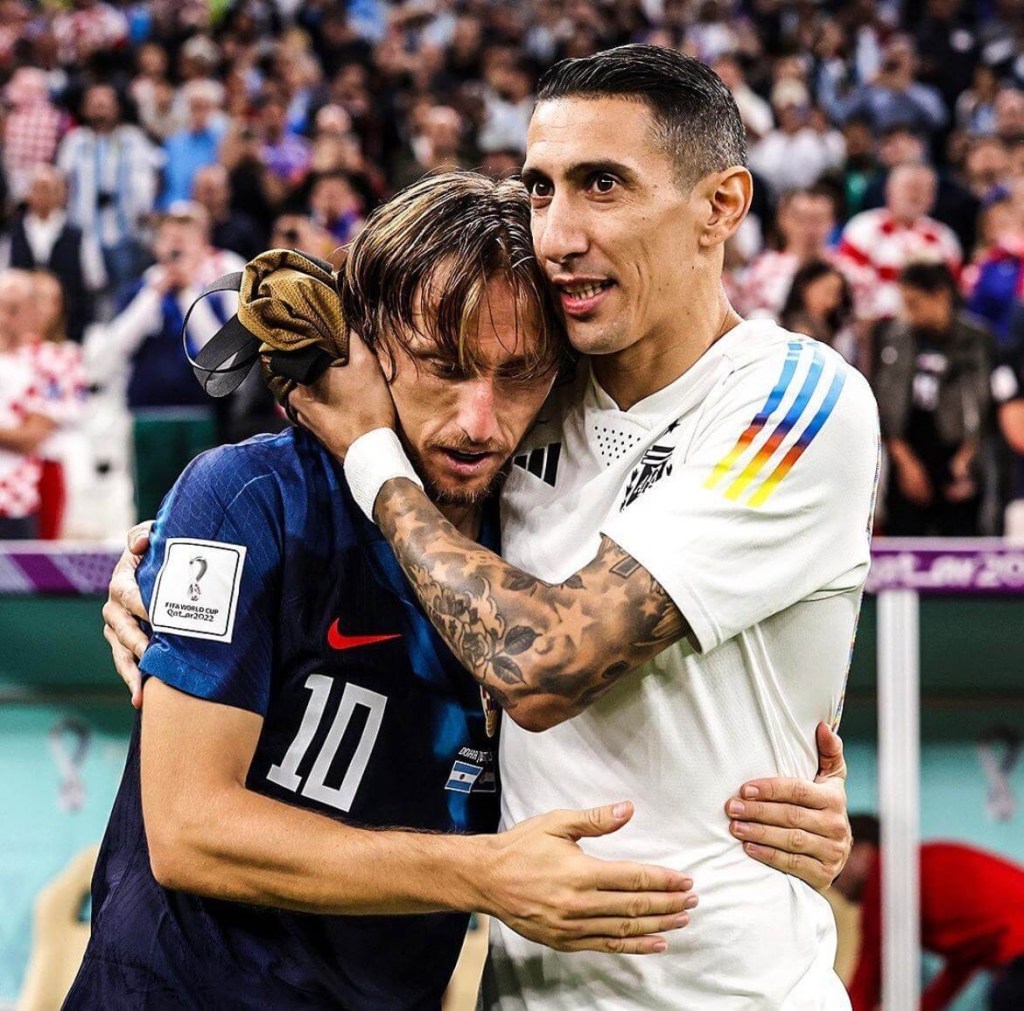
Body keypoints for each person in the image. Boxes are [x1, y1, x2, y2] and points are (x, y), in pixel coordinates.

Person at [102, 171, 855, 1005]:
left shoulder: (538, 537)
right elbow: (188, 831)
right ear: (365, 342)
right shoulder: (251, 498)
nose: (478, 420)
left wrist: (783, 793)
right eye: (442, 365)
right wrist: (485, 875)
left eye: (520, 374)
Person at [281, 45, 876, 1008]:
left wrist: (373, 456)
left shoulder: (791, 399)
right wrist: (167, 564)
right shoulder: (530, 384)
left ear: (720, 205)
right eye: (541, 188)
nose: (556, 232)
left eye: (602, 185)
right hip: (525, 989)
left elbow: (542, 664)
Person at [835, 815, 1024, 1011]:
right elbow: (960, 965)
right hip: (1015, 956)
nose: (831, 876)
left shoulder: (886, 875)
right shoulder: (916, 870)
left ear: (863, 853)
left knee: (1006, 997)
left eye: (836, 860)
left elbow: (867, 977)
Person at [872, 261, 991, 536]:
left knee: (961, 545)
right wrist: (905, 463)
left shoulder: (976, 339)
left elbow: (983, 402)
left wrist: (967, 459)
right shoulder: (895, 339)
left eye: (914, 303)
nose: (908, 313)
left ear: (941, 295)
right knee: (904, 541)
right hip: (908, 450)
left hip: (957, 452)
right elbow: (886, 402)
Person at [838, 162, 962, 322]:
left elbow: (951, 291)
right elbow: (851, 282)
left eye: (923, 189)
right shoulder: (863, 228)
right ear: (889, 190)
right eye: (909, 187)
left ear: (933, 198)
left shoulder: (943, 237)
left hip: (926, 324)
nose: (914, 195)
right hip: (874, 323)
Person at [0, 164, 107, 343]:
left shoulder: (79, 236)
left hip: (69, 333)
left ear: (62, 194)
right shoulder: (13, 234)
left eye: (49, 189)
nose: (43, 196)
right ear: (28, 194)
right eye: (38, 189)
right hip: (21, 336)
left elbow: (94, 282)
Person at [0, 270, 56, 539]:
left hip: (16, 500)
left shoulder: (45, 362)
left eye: (12, 310)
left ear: (33, 313)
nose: (2, 318)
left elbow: (33, 436)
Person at [779, 259, 858, 364]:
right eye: (827, 292)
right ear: (805, 287)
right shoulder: (797, 329)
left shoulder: (838, 335)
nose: (831, 302)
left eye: (837, 295)